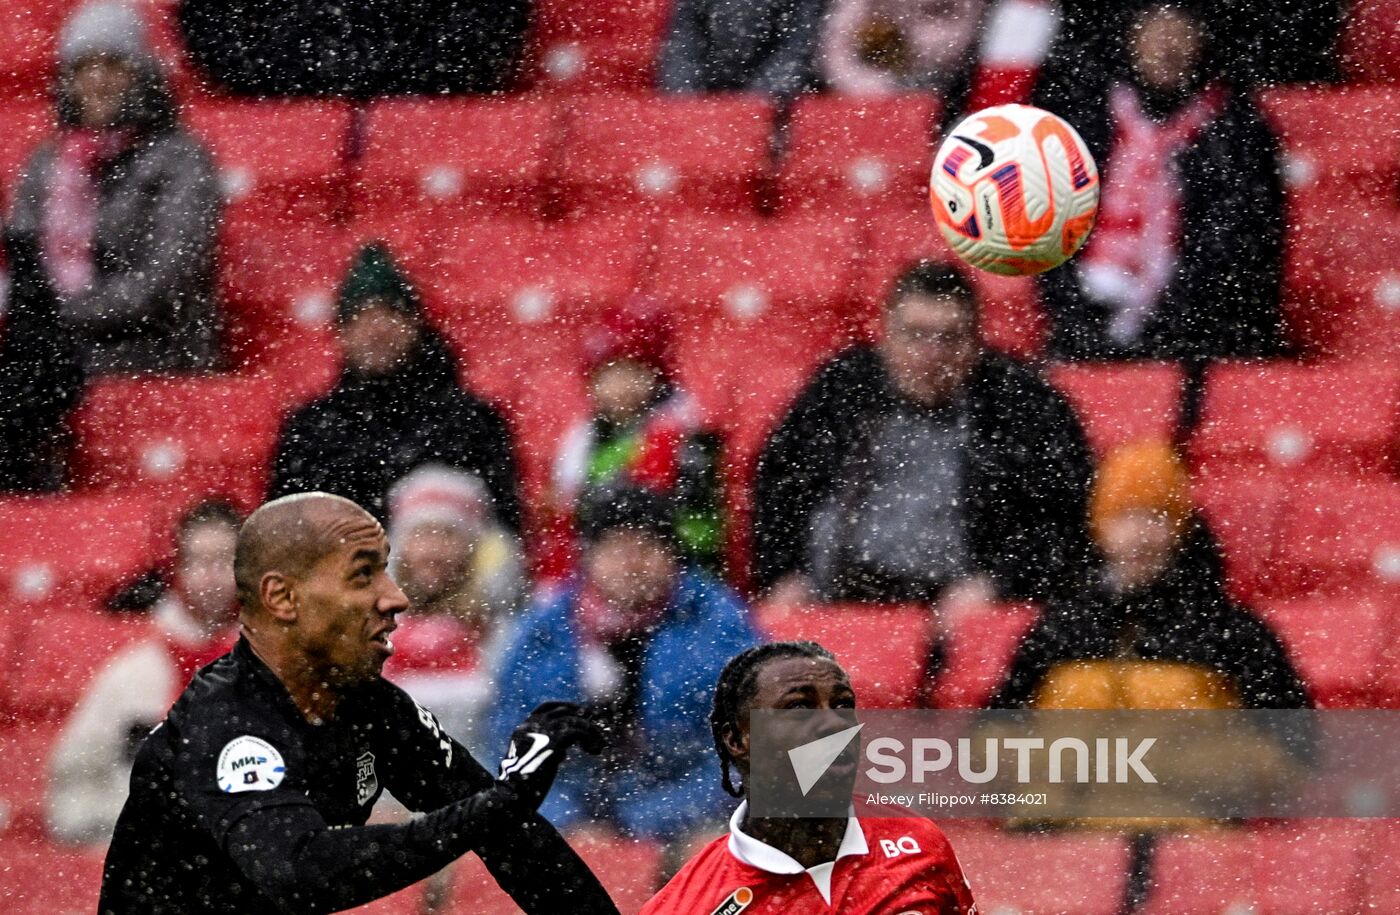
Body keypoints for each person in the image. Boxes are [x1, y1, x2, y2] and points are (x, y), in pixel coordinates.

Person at [98, 492, 617, 914]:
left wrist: (505, 804)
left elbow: (510, 838)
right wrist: (498, 805)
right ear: (283, 599)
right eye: (364, 574)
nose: (396, 597)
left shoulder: (370, 706)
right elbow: (301, 874)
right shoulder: (225, 721)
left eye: (387, 571)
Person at [753, 260, 1098, 614]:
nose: (932, 355)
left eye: (950, 337)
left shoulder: (1022, 402)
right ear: (885, 333)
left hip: (961, 601)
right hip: (837, 594)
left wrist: (997, 583)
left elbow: (1062, 524)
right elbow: (780, 487)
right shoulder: (842, 386)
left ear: (976, 340)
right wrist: (785, 575)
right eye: (915, 334)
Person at [487, 485, 759, 846]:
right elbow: (506, 743)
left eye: (647, 548)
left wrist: (642, 823)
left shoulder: (719, 626)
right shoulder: (543, 628)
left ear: (673, 556)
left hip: (687, 820)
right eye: (615, 548)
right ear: (589, 558)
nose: (632, 563)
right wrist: (565, 822)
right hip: (569, 819)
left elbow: (747, 755)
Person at [1033, 0, 1286, 362]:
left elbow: (1239, 247)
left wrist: (1164, 319)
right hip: (1086, 322)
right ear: (1130, 38)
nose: (1167, 46)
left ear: (1203, 40)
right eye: (1153, 30)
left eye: (1181, 31)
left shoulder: (1237, 131)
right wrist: (1077, 312)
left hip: (1202, 337)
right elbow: (1049, 227)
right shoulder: (1088, 117)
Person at [642, 641, 977, 913]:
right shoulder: (685, 905)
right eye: (799, 707)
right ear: (738, 739)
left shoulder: (918, 843)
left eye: (843, 705)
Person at [990, 440, 1311, 712]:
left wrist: (1171, 765)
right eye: (1125, 517)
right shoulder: (1060, 628)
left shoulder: (1230, 631)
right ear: (1099, 528)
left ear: (1181, 530)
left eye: (1157, 517)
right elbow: (993, 737)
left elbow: (1292, 749)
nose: (1140, 535)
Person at [6, 0, 222, 376]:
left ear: (142, 74)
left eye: (113, 64)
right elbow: (20, 252)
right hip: (55, 343)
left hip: (151, 347)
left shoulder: (180, 158)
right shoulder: (47, 161)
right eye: (83, 67)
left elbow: (166, 280)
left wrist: (59, 315)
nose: (97, 80)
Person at [268, 242, 523, 530]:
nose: (376, 330)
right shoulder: (310, 430)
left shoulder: (470, 422)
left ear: (415, 325)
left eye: (389, 314)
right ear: (341, 334)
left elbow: (502, 536)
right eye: (360, 317)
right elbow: (285, 535)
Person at [48, 500, 243, 846]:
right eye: (198, 560)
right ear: (176, 569)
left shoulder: (282, 668)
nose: (210, 573)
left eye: (223, 559)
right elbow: (71, 784)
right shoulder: (131, 674)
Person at [552, 300, 724, 571]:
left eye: (632, 372)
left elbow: (693, 526)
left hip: (667, 570)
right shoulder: (583, 440)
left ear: (656, 377)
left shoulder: (680, 437)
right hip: (598, 570)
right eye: (608, 374)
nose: (618, 387)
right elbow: (568, 519)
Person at [383, 464, 527, 756]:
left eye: (447, 535)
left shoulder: (502, 629)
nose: (433, 551)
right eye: (421, 535)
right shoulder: (368, 622)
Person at [657, 0, 829, 97]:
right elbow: (683, 44)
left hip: (778, 102)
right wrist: (684, 95)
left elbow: (797, 47)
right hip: (711, 93)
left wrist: (758, 101)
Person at [819, 0, 986, 97]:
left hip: (943, 86)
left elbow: (953, 43)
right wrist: (869, 87)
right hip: (862, 90)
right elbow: (837, 43)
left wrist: (902, 40)